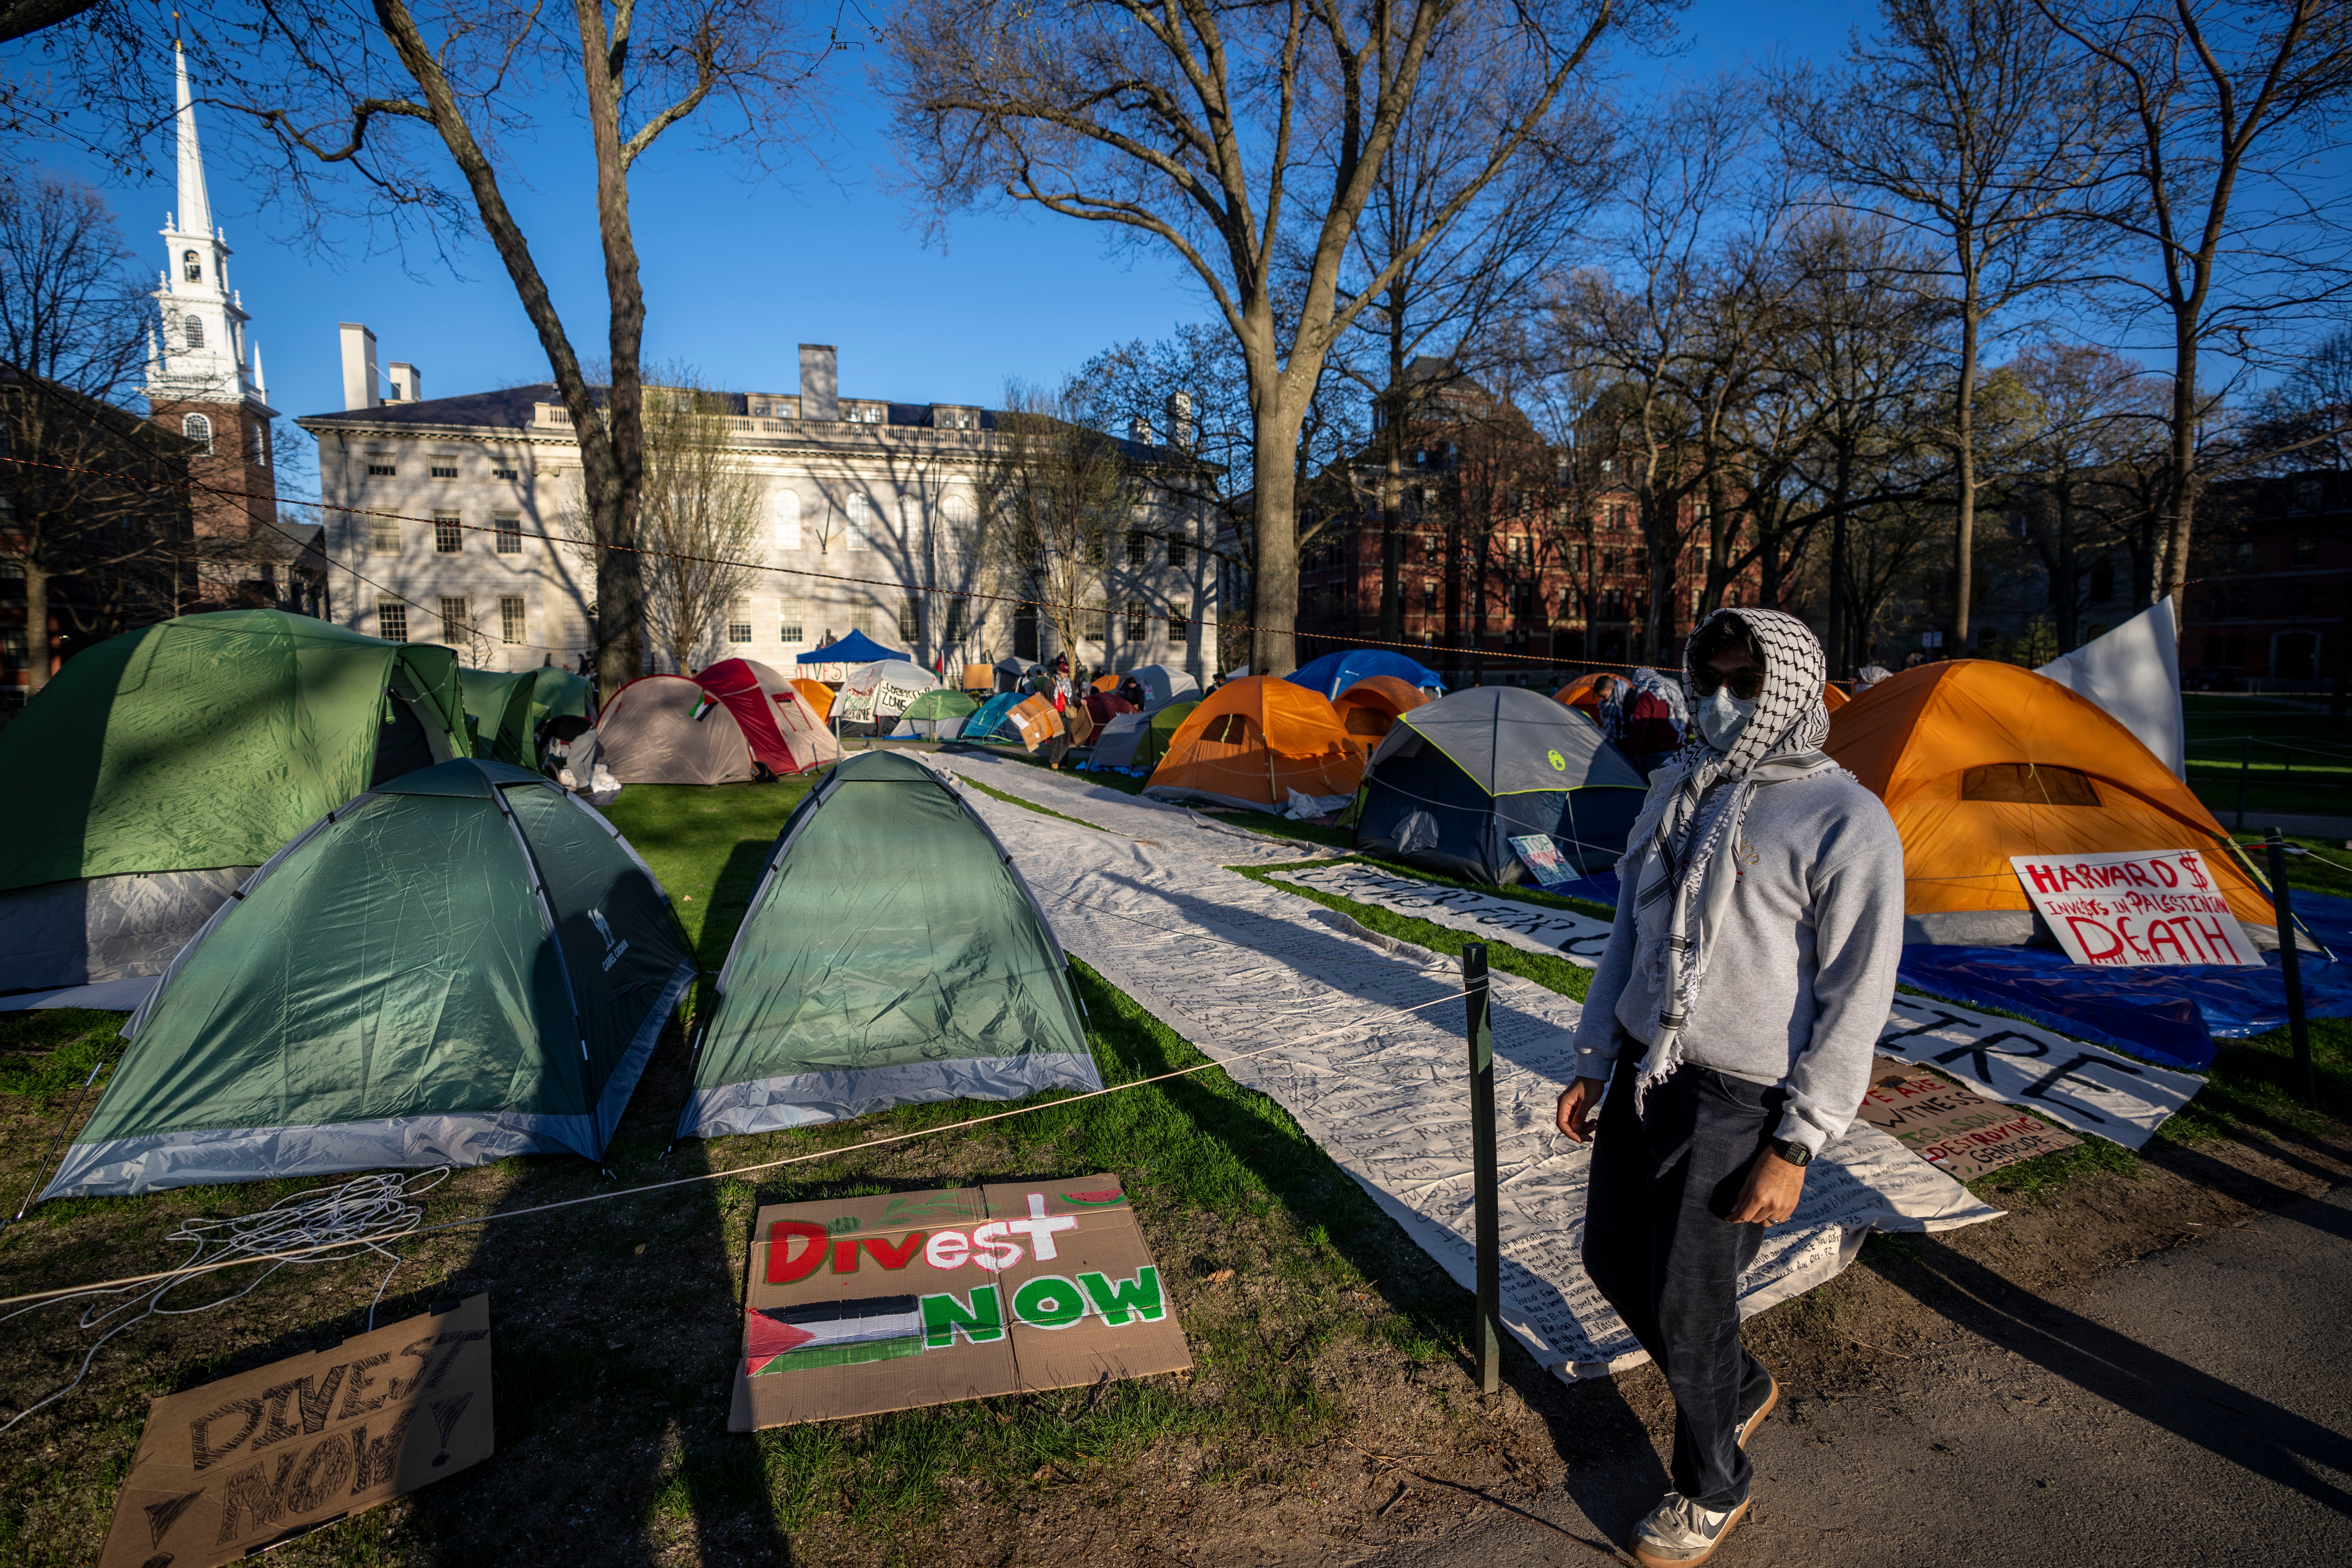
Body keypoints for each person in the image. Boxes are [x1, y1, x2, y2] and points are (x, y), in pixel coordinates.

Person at [1554, 608, 1903, 1568]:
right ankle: (1738, 1387)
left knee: (1688, 1300)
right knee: (1611, 1257)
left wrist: (1797, 1145)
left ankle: (1713, 1485)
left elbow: (1856, 994)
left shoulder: (1845, 819)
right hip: (1643, 1068)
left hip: (1738, 1100)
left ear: (1788, 693)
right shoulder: (1677, 790)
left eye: (1744, 685)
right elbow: (1627, 935)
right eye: (1708, 679)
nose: (1719, 702)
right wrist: (1594, 1057)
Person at [1624, 668, 1687, 778]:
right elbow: (1686, 720)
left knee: (1653, 793)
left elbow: (1639, 729)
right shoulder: (1675, 695)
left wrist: (1630, 757)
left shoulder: (1647, 697)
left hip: (1653, 755)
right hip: (1679, 753)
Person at [1044, 653, 1076, 770]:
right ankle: (1055, 761)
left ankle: (1063, 763)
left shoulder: (1070, 683)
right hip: (1055, 714)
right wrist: (1039, 694)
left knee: (1065, 741)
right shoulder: (1050, 683)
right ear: (1059, 671)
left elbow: (1074, 698)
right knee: (1056, 739)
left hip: (1067, 715)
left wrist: (1081, 700)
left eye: (1067, 672)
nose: (1065, 674)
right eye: (1063, 672)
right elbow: (1045, 696)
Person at [1593, 676, 1628, 744]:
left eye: (1604, 696)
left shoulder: (1626, 700)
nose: (1602, 700)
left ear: (1612, 688)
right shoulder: (1605, 704)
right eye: (1600, 697)